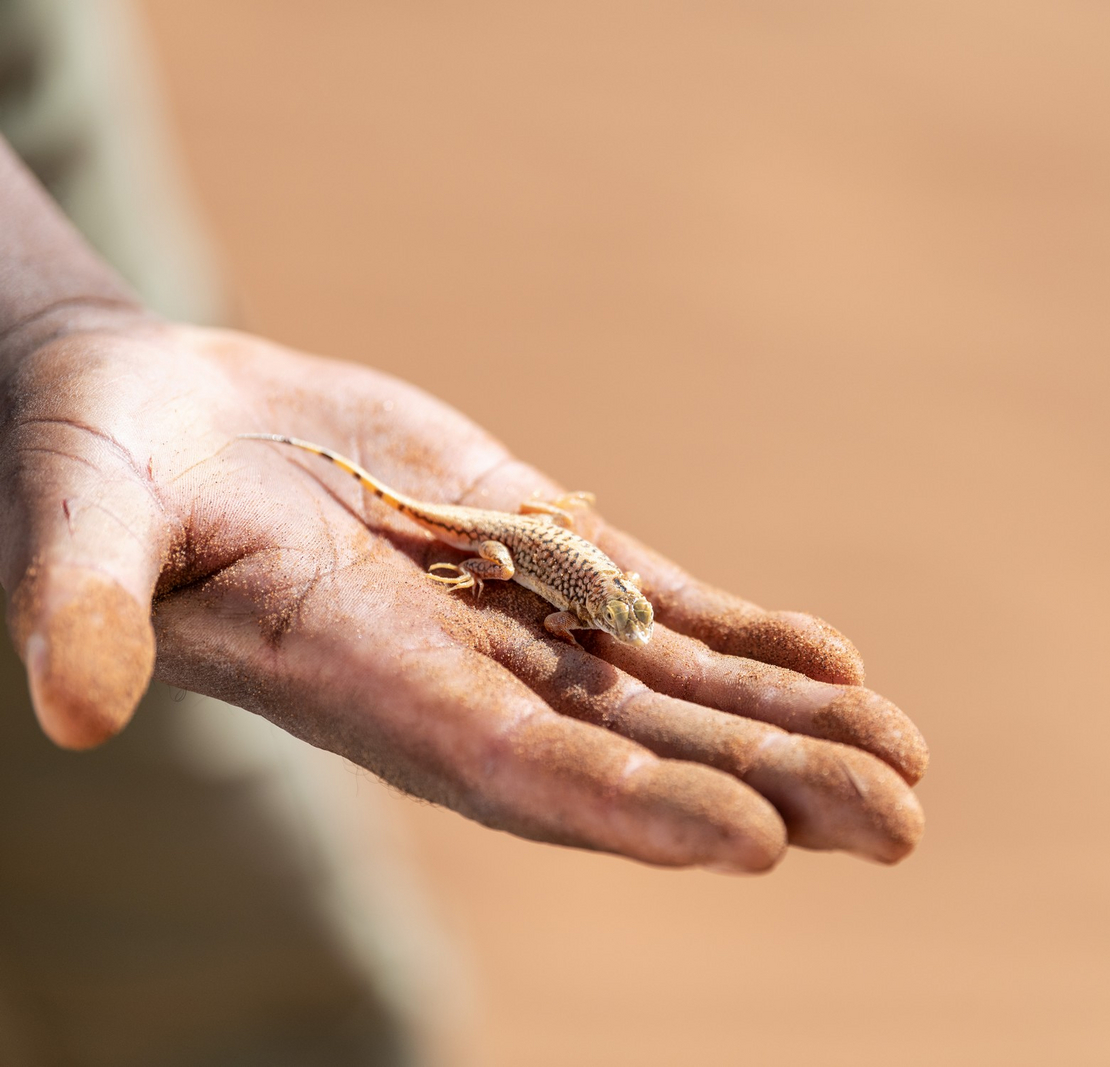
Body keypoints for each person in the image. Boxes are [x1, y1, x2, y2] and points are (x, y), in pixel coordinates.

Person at [0, 2, 925, 1062]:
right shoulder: (557, 589)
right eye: (610, 611)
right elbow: (514, 568)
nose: (614, 619)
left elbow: (554, 572)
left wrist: (47, 301)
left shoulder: (587, 596)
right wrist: (37, 320)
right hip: (482, 533)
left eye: (609, 610)